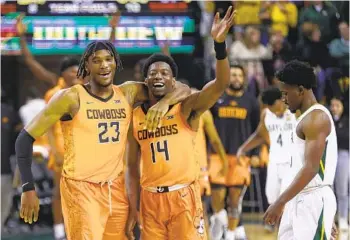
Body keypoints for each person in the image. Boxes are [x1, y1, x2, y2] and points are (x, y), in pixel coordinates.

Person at [15, 40, 190, 240]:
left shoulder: (128, 92)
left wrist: (164, 102)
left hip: (115, 189)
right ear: (86, 66)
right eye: (96, 61)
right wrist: (28, 188)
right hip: (81, 189)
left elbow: (181, 88)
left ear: (116, 62)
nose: (104, 65)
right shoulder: (71, 98)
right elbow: (24, 138)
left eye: (108, 59)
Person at [126, 7, 235, 240]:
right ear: (145, 80)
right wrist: (132, 206)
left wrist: (219, 46)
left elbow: (220, 84)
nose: (158, 76)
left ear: (173, 81)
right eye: (153, 73)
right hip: (150, 199)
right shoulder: (135, 116)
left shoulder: (186, 108)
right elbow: (132, 169)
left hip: (183, 196)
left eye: (164, 73)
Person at [264, 60, 338, 240]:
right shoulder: (304, 118)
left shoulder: (317, 118)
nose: (283, 99)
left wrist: (280, 201)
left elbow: (311, 169)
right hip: (298, 199)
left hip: (313, 200)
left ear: (300, 90)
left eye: (285, 93)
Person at [209, 63, 261, 240]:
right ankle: (219, 230)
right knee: (217, 200)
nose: (236, 78)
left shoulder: (251, 101)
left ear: (244, 78)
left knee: (234, 200)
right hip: (217, 156)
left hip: (241, 157)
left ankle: (230, 234)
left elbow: (258, 131)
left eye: (239, 75)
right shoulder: (216, 99)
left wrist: (256, 154)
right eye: (233, 75)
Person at [237, 87, 296, 232]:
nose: (272, 109)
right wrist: (243, 149)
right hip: (274, 162)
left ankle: (287, 231)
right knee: (272, 197)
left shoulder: (295, 112)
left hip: (292, 163)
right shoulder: (266, 114)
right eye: (268, 106)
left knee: (285, 199)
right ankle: (278, 227)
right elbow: (259, 135)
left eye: (274, 105)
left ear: (281, 100)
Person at [330, 97, 349, 233]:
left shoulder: (346, 121)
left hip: (343, 154)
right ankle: (330, 218)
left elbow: (344, 138)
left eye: (337, 105)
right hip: (330, 155)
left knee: (342, 189)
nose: (334, 108)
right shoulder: (328, 120)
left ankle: (343, 218)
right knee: (329, 188)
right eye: (332, 105)